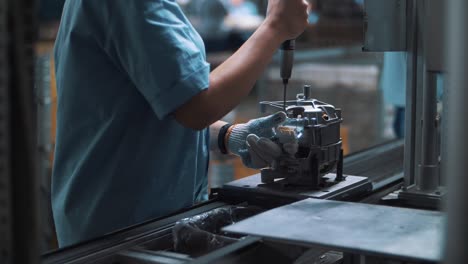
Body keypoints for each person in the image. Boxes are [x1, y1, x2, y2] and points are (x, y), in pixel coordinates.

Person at [53, 0, 309, 247]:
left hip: (140, 220)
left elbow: (152, 107)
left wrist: (230, 135)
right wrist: (276, 26)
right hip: (122, 231)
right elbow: (197, 106)